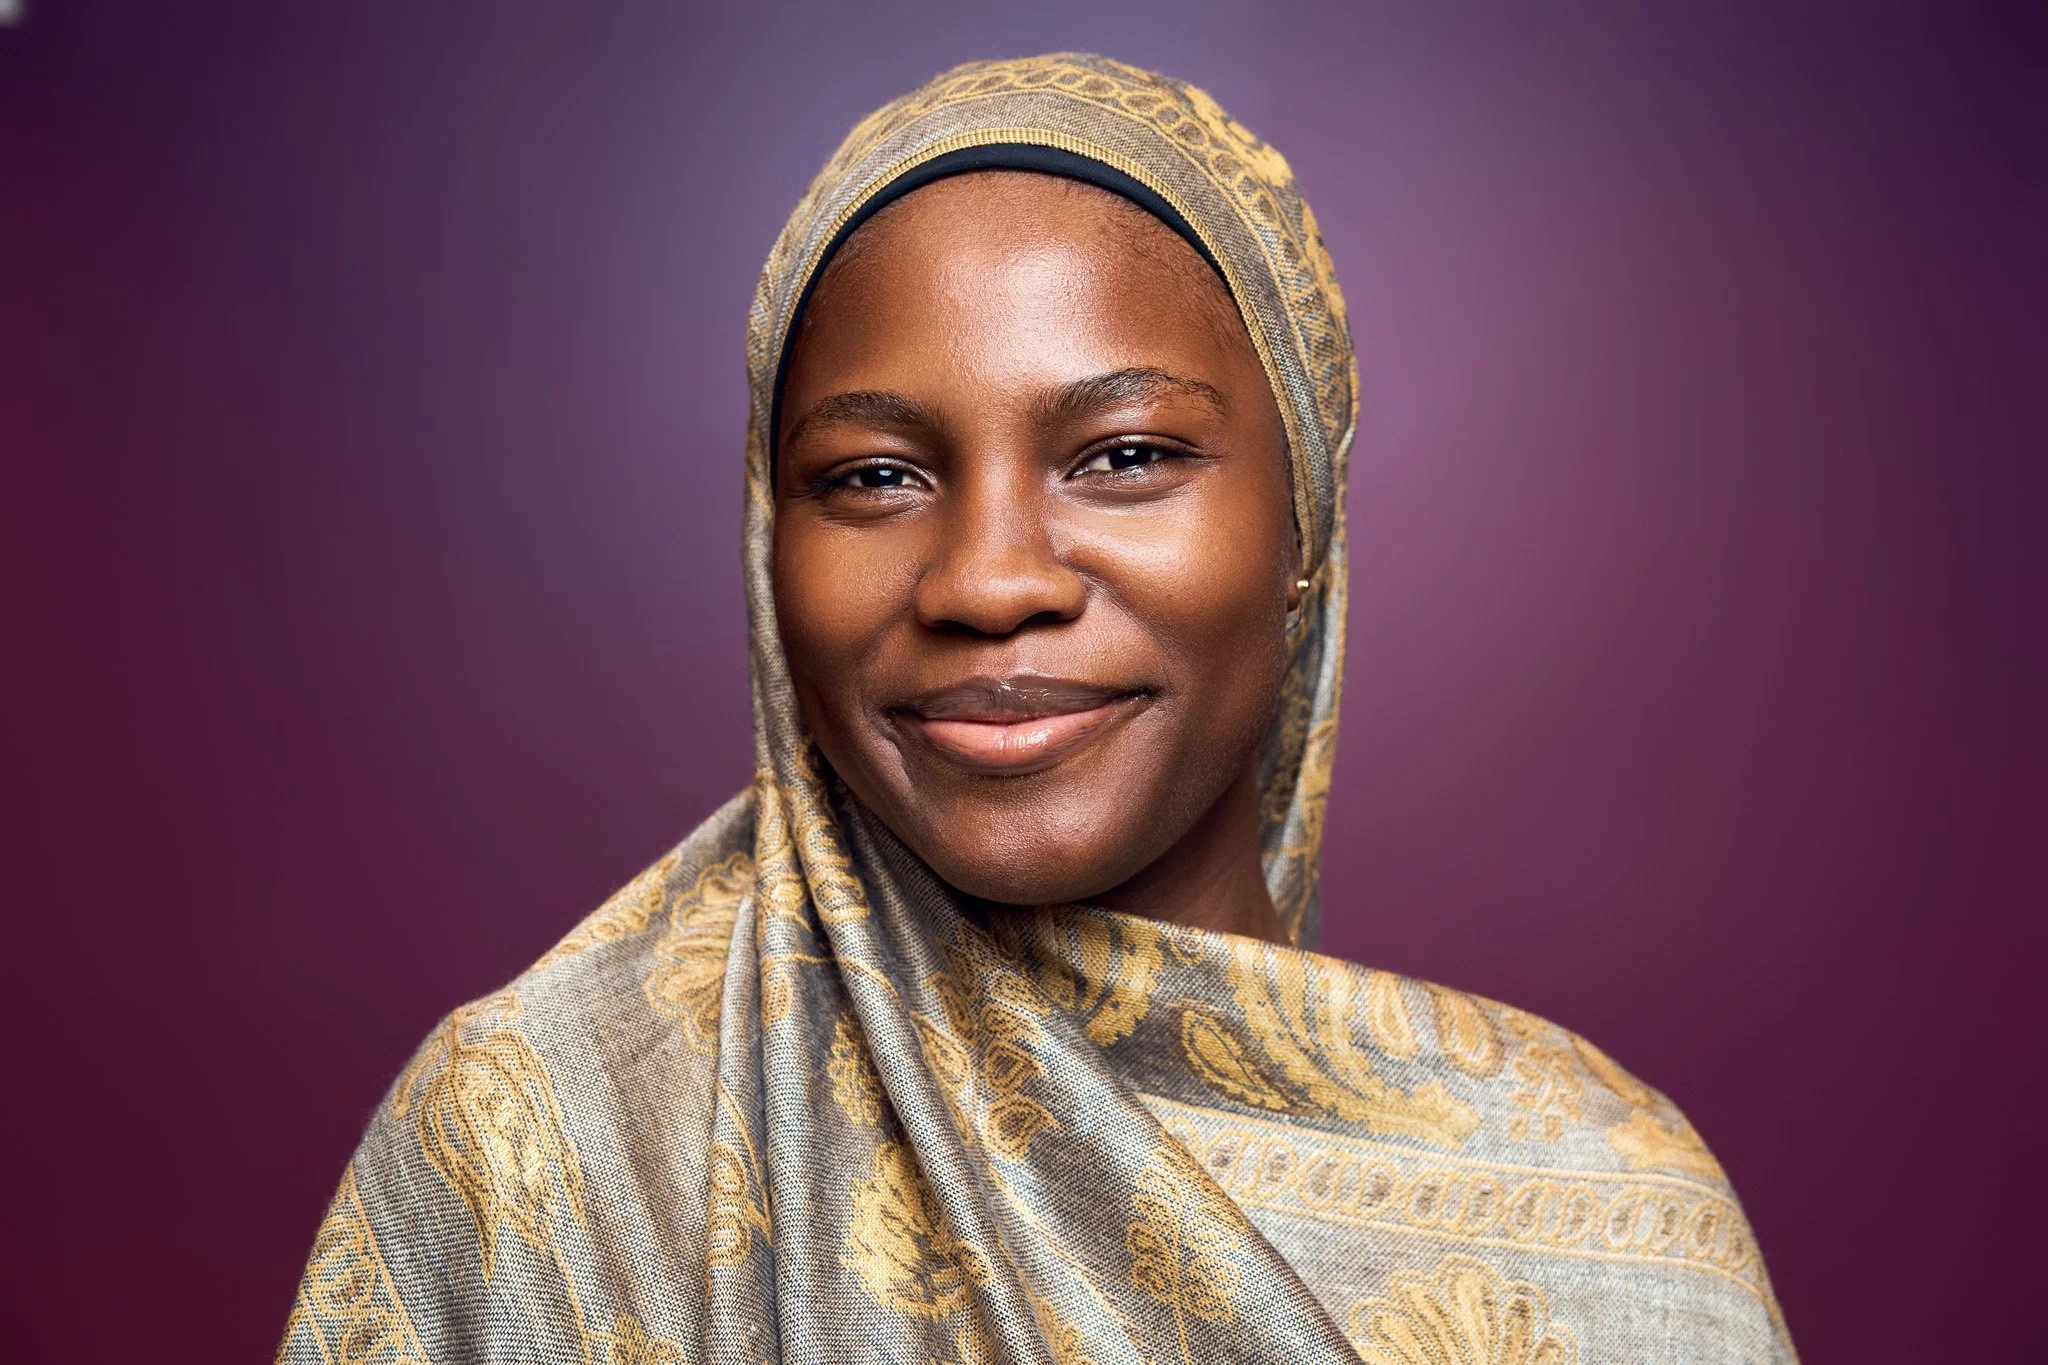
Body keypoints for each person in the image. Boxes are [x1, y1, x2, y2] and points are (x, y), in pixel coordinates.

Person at [280, 54, 1795, 1365]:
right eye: (874, 477)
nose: (988, 580)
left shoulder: (1611, 1210)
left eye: (1125, 456)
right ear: (765, 550)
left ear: (1303, 537)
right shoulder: (535, 1143)